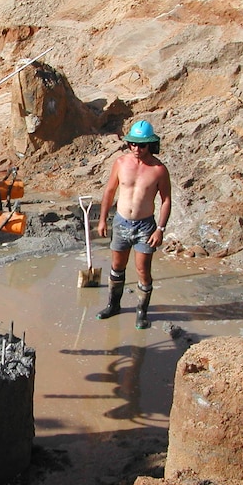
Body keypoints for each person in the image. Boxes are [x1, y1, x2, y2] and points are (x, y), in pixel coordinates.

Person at [96, 120, 172, 329]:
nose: (137, 149)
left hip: (145, 227)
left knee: (142, 270)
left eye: (142, 145)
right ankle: (113, 305)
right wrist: (103, 219)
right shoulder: (121, 163)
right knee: (117, 266)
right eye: (133, 144)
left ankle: (142, 312)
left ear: (151, 145)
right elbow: (110, 192)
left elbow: (166, 200)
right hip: (121, 223)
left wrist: (160, 229)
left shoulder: (159, 170)